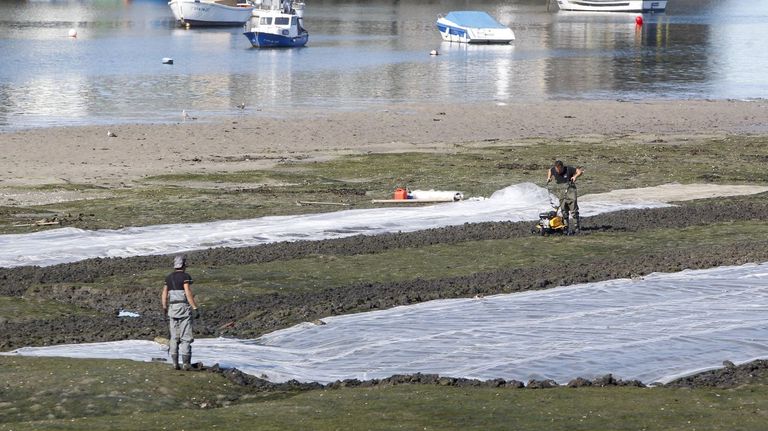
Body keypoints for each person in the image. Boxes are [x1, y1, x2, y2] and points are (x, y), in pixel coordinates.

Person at [161, 254, 200, 371]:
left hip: (172, 308)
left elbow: (164, 293)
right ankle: (186, 364)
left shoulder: (168, 278)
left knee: (174, 337)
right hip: (183, 308)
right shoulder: (185, 276)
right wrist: (194, 307)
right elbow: (187, 292)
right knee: (185, 337)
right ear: (183, 265)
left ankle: (174, 363)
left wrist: (164, 306)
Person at [546, 160, 583, 234]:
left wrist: (575, 176)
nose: (558, 171)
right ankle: (566, 228)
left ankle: (577, 228)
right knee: (564, 210)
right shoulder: (554, 169)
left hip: (570, 191)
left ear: (562, 167)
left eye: (559, 169)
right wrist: (549, 177)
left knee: (574, 211)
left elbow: (580, 171)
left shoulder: (568, 169)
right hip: (561, 192)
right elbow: (550, 170)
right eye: (557, 170)